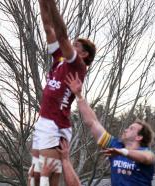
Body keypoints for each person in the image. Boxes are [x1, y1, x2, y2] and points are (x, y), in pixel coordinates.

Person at [29, 0, 96, 185]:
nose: (70, 46)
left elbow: (61, 35)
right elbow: (48, 28)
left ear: (84, 55)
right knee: (34, 176)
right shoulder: (59, 59)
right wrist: (43, 3)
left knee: (49, 178)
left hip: (56, 124)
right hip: (43, 121)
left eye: (76, 45)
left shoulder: (77, 65)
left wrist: (52, 5)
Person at [65, 72, 155, 186]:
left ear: (139, 137)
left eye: (131, 129)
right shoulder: (115, 146)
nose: (125, 130)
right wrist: (79, 95)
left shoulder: (146, 153)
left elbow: (146, 158)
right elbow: (92, 122)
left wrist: (123, 152)